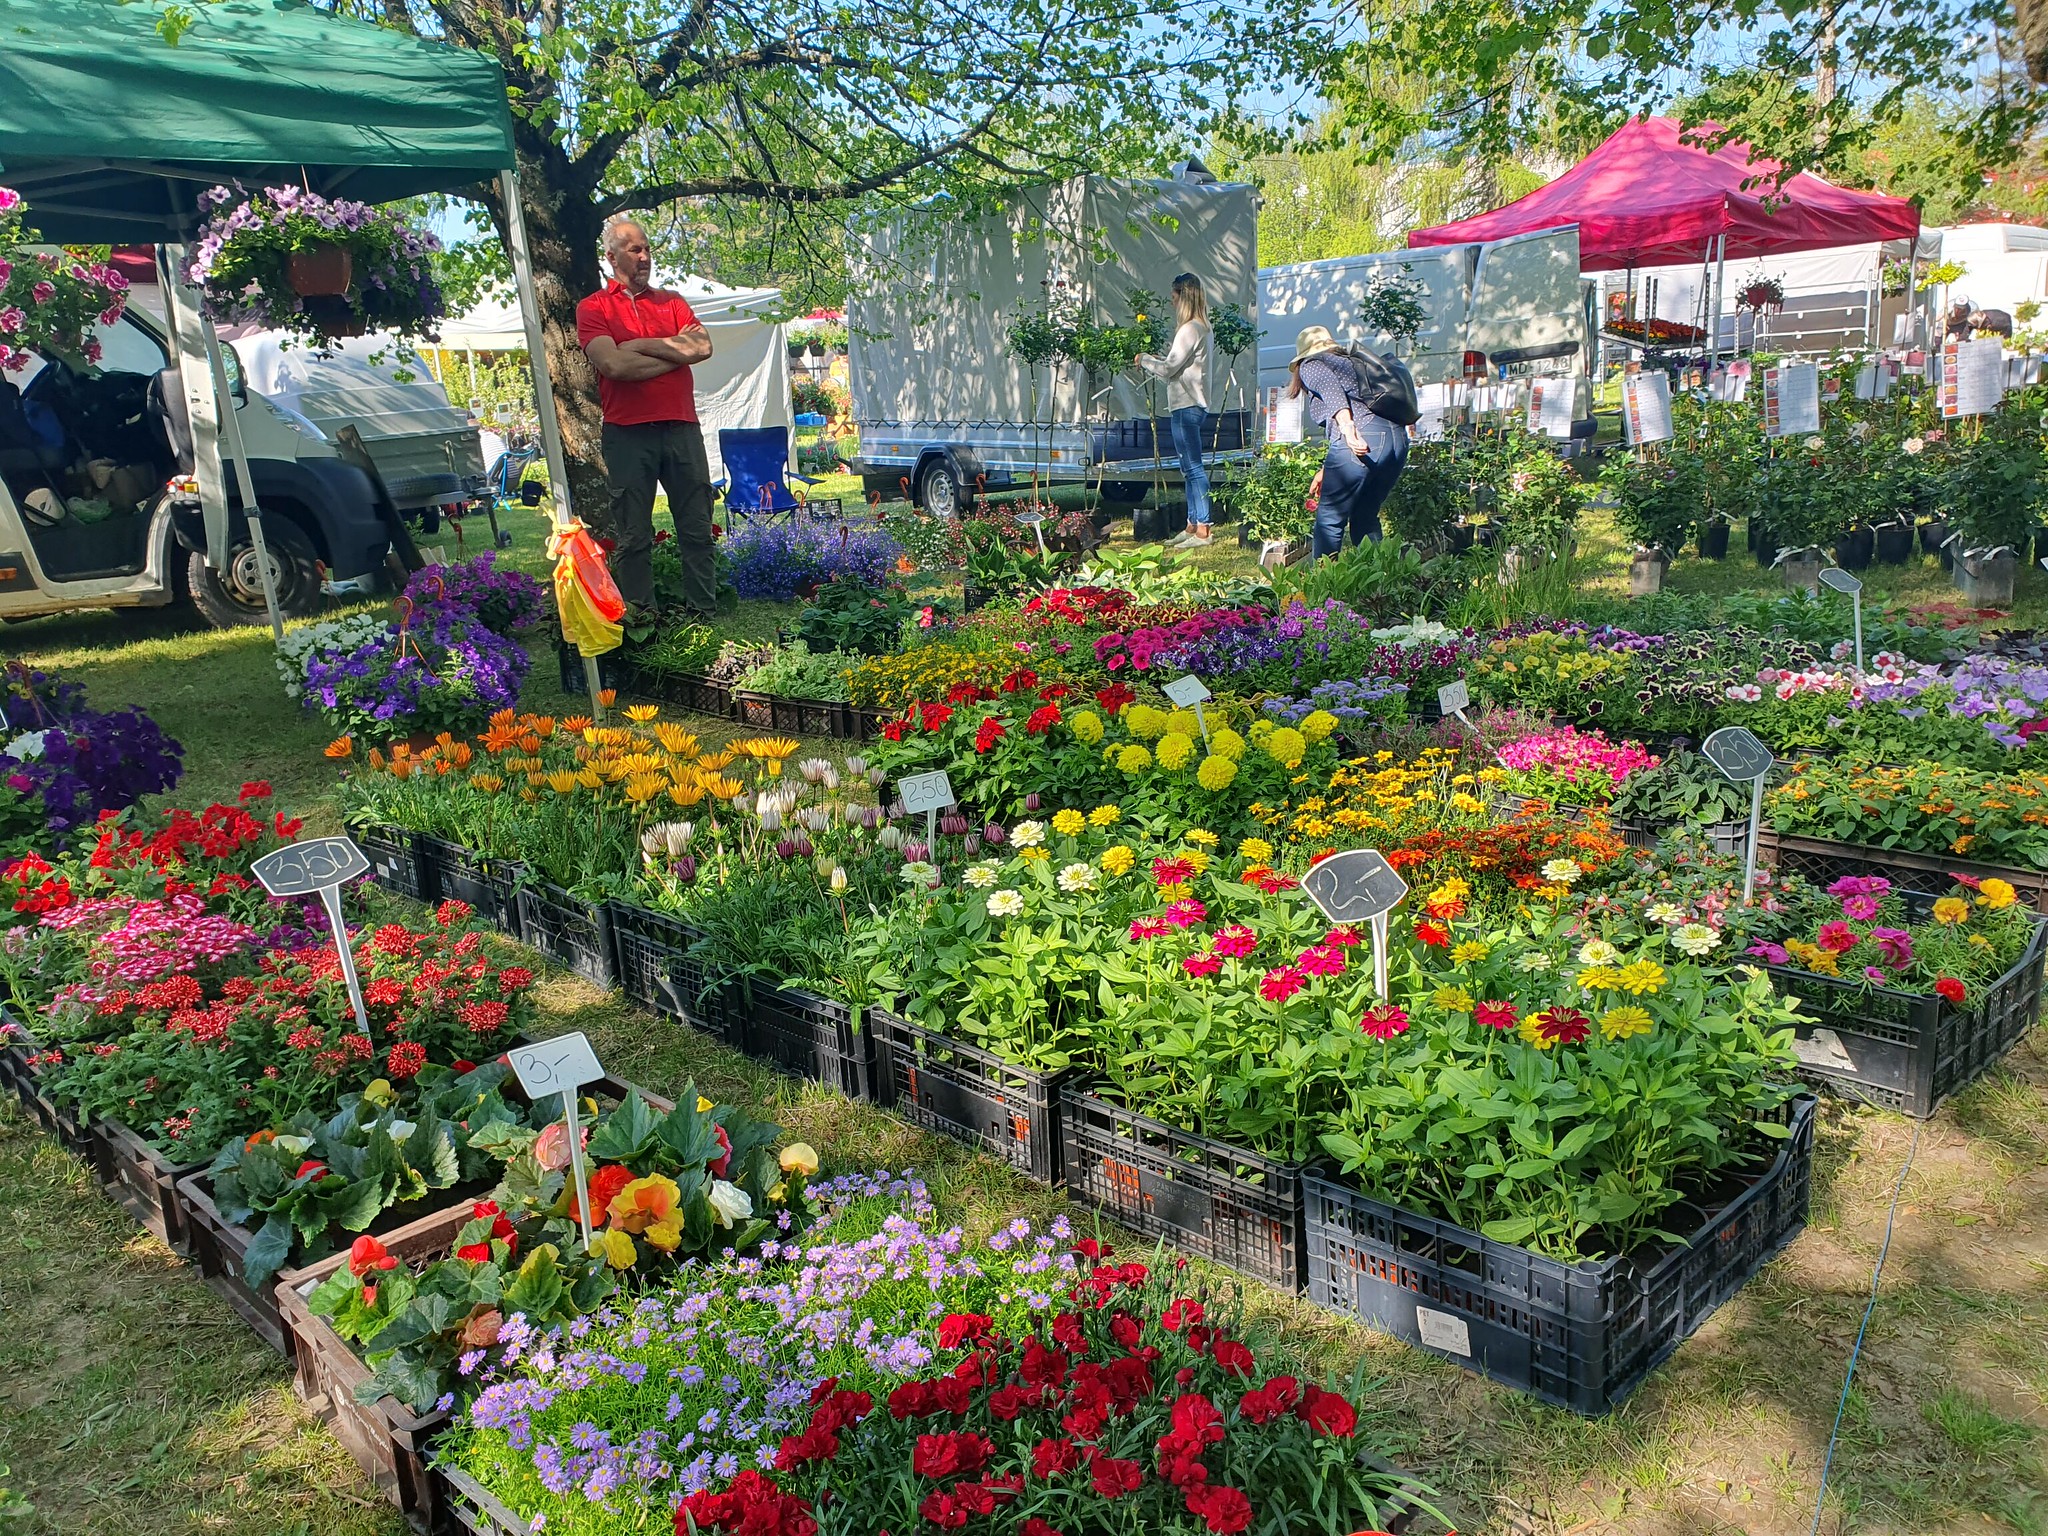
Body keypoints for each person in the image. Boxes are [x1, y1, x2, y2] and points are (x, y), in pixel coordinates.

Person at [576, 217, 716, 614]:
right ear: (611, 257)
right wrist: (674, 356)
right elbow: (615, 367)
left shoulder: (671, 301)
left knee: (697, 528)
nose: (644, 257)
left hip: (682, 427)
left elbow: (703, 346)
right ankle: (642, 618)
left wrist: (640, 345)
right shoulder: (594, 308)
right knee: (633, 535)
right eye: (635, 250)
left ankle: (702, 612)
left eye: (647, 249)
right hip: (627, 433)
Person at [1287, 325, 1407, 558]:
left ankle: (1323, 586)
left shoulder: (1312, 364)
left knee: (1329, 520)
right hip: (1397, 440)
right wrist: (1327, 468)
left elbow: (1332, 392)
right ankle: (1381, 586)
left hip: (1362, 435)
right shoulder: (1351, 363)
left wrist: (1350, 431)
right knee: (1365, 515)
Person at [1135, 273, 1213, 547]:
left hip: (1186, 405)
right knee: (1188, 468)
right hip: (1194, 403)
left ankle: (1203, 527)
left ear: (1183, 296)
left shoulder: (1189, 329)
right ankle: (1192, 525)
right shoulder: (1203, 327)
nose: (1171, 302)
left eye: (1174, 297)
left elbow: (1169, 369)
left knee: (1193, 468)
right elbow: (1176, 366)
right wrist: (1160, 362)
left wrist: (1144, 360)